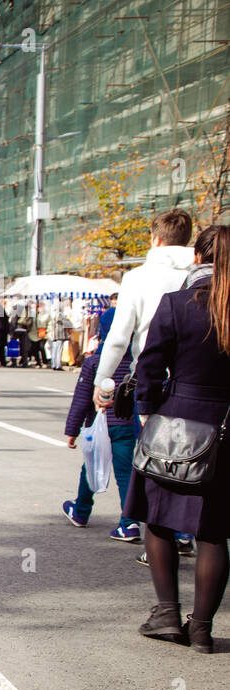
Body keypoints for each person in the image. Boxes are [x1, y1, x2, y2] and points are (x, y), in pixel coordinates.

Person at [123, 225, 229, 654]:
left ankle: (167, 614)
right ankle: (201, 630)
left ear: (197, 256)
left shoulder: (178, 303)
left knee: (159, 519)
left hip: (176, 425)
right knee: (214, 534)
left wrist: (148, 411)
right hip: (226, 428)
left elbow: (149, 366)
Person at [96, 209, 196, 557]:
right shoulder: (199, 273)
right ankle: (185, 530)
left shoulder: (138, 277)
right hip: (196, 381)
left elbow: (118, 338)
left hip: (152, 378)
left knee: (156, 461)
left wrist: (102, 380)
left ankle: (162, 538)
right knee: (192, 457)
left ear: (154, 239)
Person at [61, 344, 137, 541]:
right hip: (126, 425)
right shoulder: (135, 361)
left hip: (99, 424)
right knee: (125, 473)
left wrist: (72, 431)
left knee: (90, 467)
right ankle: (129, 523)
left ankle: (80, 510)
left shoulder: (95, 361)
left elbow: (82, 399)